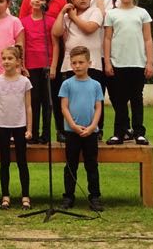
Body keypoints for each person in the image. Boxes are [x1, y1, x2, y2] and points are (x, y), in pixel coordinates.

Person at [104, 0, 153, 146]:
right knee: (119, 100)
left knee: (136, 99)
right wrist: (108, 62)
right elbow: (107, 39)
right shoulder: (111, 14)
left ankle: (139, 133)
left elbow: (148, 39)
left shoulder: (142, 13)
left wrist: (149, 62)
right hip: (118, 63)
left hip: (138, 63)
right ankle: (119, 133)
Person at [52, 0, 105, 138]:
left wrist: (74, 17)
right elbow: (56, 32)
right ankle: (71, 128)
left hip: (92, 64)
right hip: (71, 65)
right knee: (72, 99)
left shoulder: (95, 11)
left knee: (93, 99)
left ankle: (95, 130)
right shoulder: (67, 16)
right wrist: (62, 13)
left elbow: (89, 28)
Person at [59, 46, 104, 212]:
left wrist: (92, 127)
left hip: (90, 132)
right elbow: (64, 107)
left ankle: (95, 197)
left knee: (91, 165)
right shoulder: (67, 84)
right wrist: (72, 125)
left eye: (81, 62)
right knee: (71, 165)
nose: (77, 66)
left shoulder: (96, 85)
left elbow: (98, 107)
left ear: (89, 63)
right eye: (74, 63)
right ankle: (68, 197)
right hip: (72, 132)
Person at [0, 46, 32, 210]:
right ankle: (5, 196)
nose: (6, 61)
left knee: (22, 162)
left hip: (20, 126)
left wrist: (29, 129)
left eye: (10, 58)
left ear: (18, 61)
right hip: (3, 126)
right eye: (4, 58)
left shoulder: (25, 81)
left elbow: (28, 107)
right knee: (4, 162)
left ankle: (25, 196)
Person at [20, 0, 58, 144]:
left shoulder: (50, 21)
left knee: (46, 101)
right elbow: (21, 45)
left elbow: (55, 45)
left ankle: (46, 134)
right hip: (30, 66)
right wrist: (22, 65)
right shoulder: (23, 22)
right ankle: (33, 133)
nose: (37, 1)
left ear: (46, 2)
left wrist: (53, 66)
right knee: (33, 100)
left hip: (46, 66)